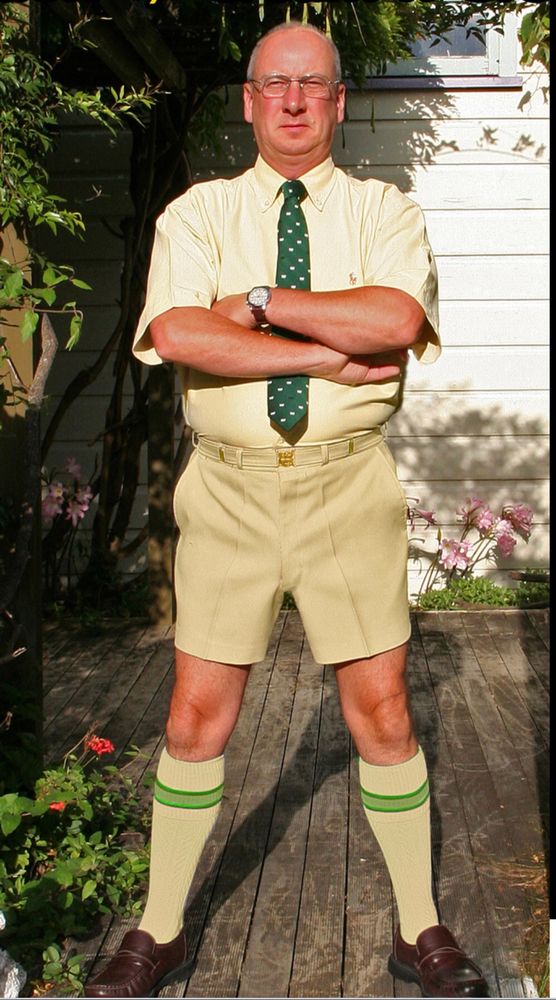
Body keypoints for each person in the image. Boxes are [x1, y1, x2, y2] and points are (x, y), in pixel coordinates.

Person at [85, 21, 488, 1000]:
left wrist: (254, 304)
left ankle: (418, 925)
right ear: (250, 101)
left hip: (348, 482)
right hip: (227, 486)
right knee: (193, 714)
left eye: (314, 84)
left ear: (340, 102)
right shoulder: (198, 211)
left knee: (382, 710)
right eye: (276, 84)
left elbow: (392, 322)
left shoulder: (385, 209)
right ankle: (163, 926)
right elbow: (179, 330)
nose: (296, 100)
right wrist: (317, 340)